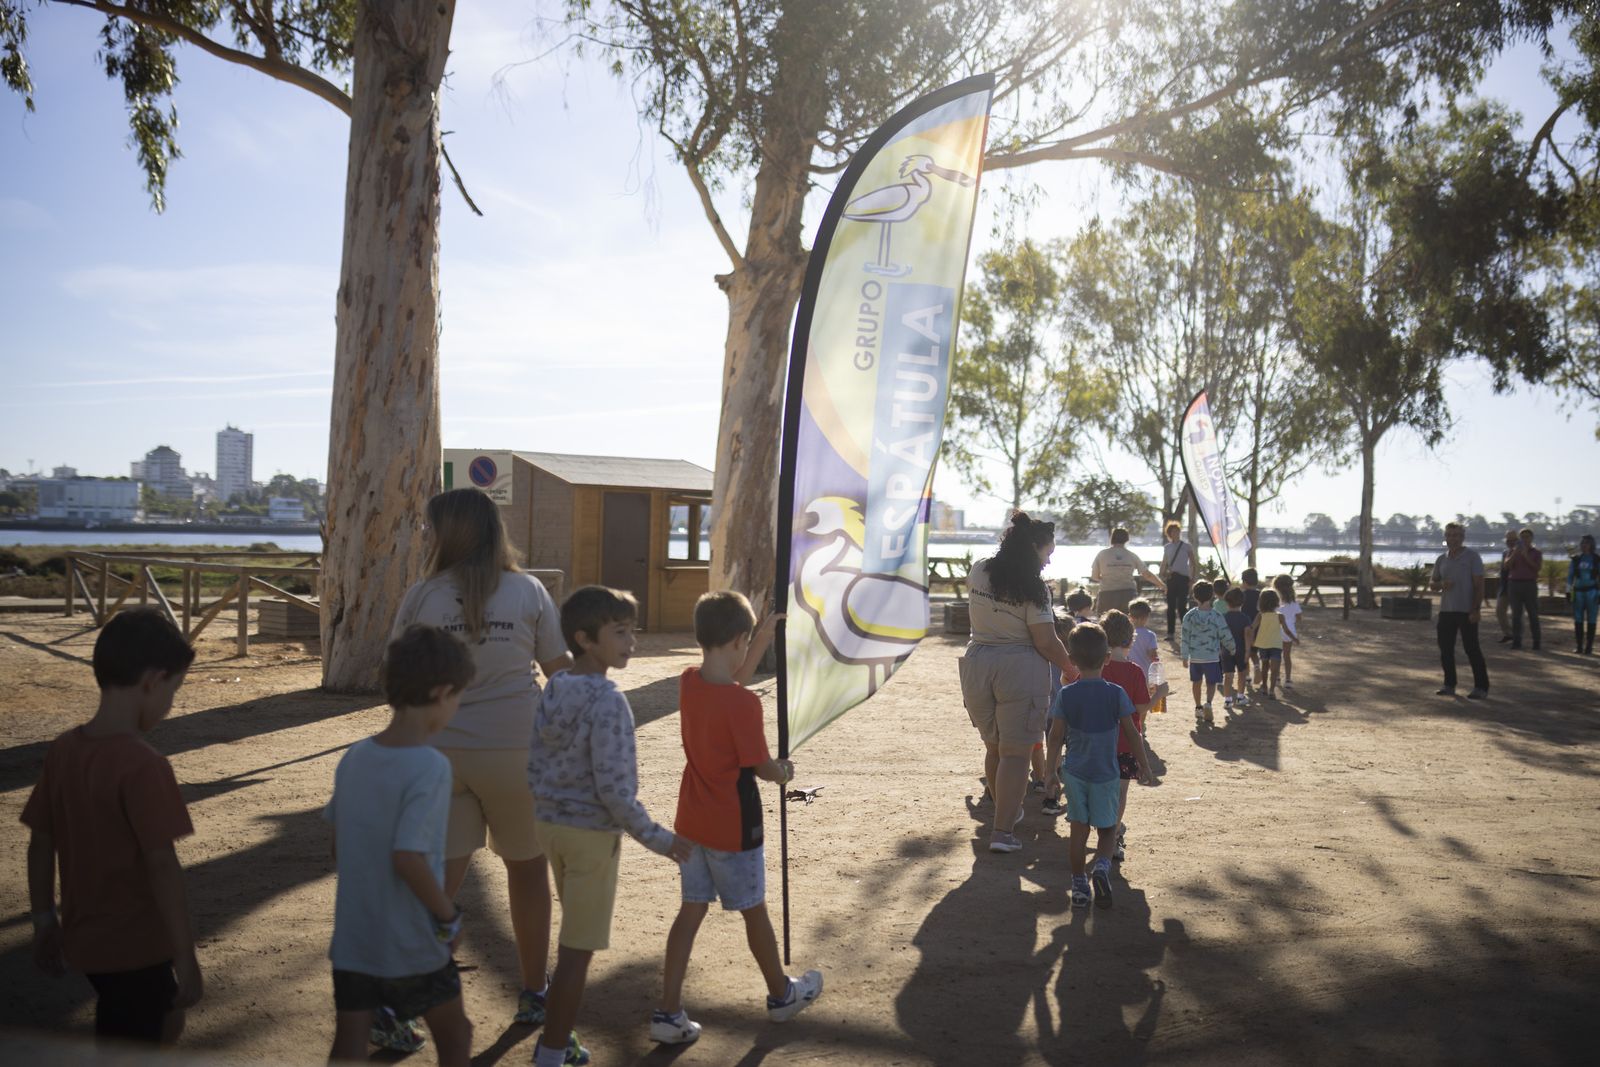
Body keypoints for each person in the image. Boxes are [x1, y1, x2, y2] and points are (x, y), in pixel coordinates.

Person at [389, 488, 573, 1044]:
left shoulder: (422, 595)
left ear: (447, 534)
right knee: (527, 869)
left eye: (429, 529)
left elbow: (396, 677)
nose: (425, 537)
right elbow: (560, 669)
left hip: (438, 752)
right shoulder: (528, 591)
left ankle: (406, 1004)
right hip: (517, 750)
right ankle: (534, 993)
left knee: (442, 879)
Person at [528, 586, 693, 1067]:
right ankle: (552, 1052)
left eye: (632, 631)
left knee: (572, 940)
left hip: (549, 828)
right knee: (577, 951)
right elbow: (616, 792)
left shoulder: (555, 686)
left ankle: (558, 1041)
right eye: (620, 632)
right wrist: (661, 840)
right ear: (584, 637)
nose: (631, 641)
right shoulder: (608, 700)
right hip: (590, 839)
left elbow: (534, 759)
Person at [21, 608, 201, 1048]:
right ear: (152, 681)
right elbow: (162, 865)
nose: (169, 704)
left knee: (134, 1022)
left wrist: (44, 919)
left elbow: (40, 843)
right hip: (138, 945)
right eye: (173, 691)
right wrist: (186, 957)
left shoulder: (64, 750)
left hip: (88, 943)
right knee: (147, 1032)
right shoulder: (145, 765)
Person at [650, 592, 823, 1046]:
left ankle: (667, 1010)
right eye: (747, 642)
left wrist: (762, 635)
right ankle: (781, 993)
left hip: (691, 822)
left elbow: (732, 679)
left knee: (690, 912)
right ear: (736, 641)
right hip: (733, 825)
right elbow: (762, 765)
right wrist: (784, 772)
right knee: (754, 912)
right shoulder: (744, 706)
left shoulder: (690, 681)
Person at [325, 625, 476, 1066]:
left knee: (350, 1039)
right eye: (458, 697)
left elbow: (337, 845)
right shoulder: (429, 766)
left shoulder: (354, 756)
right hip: (410, 941)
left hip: (355, 938)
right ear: (444, 692)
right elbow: (408, 857)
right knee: (456, 1034)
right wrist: (448, 917)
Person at [960, 513, 1078, 855]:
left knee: (994, 747)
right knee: (1016, 754)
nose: (1050, 559)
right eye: (1047, 552)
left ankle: (1005, 811)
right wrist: (1069, 668)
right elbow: (1045, 640)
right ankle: (1003, 830)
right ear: (1032, 551)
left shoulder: (980, 567)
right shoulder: (1035, 590)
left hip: (977, 662)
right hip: (1019, 667)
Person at [1044, 623, 1153, 909]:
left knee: (1078, 830)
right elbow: (1132, 732)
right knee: (1107, 829)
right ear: (1106, 657)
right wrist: (1144, 765)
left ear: (1073, 659)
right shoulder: (1116, 693)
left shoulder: (1066, 695)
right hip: (1106, 772)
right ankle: (1102, 867)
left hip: (1075, 772)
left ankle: (1079, 883)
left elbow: (1055, 737)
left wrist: (1049, 773)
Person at [1099, 611, 1165, 865]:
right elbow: (1140, 709)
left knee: (1101, 790)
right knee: (1119, 793)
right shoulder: (1134, 671)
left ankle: (1106, 831)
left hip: (1098, 742)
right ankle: (1113, 836)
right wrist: (1160, 694)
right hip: (1125, 742)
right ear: (1131, 640)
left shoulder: (1097, 667)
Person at [1430, 522, 1489, 699]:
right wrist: (1441, 585)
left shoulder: (1472, 557)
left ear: (1462, 537)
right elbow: (1432, 584)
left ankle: (1481, 687)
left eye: (1456, 535)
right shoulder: (1441, 559)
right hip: (1447, 611)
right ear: (1445, 537)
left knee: (1471, 648)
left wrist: (1476, 609)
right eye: (1449, 535)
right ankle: (1449, 684)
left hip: (1467, 610)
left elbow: (1479, 586)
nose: (1452, 539)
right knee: (1445, 648)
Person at [1181, 580, 1235, 726]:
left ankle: (1198, 707)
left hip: (1196, 658)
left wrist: (1185, 656)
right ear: (1212, 596)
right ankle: (1208, 703)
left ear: (1194, 597)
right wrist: (1232, 648)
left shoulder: (1189, 616)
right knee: (1211, 683)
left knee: (1196, 682)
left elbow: (1185, 637)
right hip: (1211, 658)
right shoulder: (1217, 616)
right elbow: (1225, 633)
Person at [1089, 528, 1165, 615]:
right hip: (1128, 594)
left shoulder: (1101, 554)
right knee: (1127, 624)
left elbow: (1094, 576)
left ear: (1112, 538)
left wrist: (1106, 578)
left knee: (1106, 623)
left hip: (1107, 593)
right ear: (1127, 539)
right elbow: (1147, 574)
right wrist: (1162, 585)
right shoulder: (1132, 555)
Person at [1247, 589, 1290, 700]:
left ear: (1261, 602)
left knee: (1267, 666)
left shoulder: (1275, 616)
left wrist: (1251, 640)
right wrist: (1294, 638)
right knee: (1271, 668)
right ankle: (1266, 687)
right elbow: (1286, 630)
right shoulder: (1263, 615)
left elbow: (1252, 628)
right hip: (1268, 644)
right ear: (1276, 601)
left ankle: (1270, 689)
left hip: (1269, 644)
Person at [1505, 528, 1543, 651]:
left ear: (1531, 538)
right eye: (1522, 537)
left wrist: (1526, 556)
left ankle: (1536, 641)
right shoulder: (1512, 551)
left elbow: (1537, 568)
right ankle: (1517, 641)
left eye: (1527, 536)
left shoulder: (1536, 552)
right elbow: (1506, 566)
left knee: (1533, 614)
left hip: (1529, 585)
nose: (1524, 539)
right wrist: (1515, 553)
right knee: (1516, 615)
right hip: (1514, 584)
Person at [1220, 587, 1252, 713]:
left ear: (1226, 603)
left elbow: (1219, 635)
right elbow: (1247, 634)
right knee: (1242, 674)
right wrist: (1248, 651)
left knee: (1228, 675)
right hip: (1241, 650)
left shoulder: (1223, 617)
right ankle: (1240, 696)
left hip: (1226, 650)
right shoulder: (1245, 618)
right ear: (1242, 603)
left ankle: (1227, 699)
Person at [1160, 521, 1193, 641]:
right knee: (1170, 607)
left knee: (1182, 607)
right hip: (1171, 578)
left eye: (1178, 531)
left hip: (1183, 578)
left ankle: (1187, 632)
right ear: (1169, 533)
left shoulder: (1186, 546)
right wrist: (1162, 575)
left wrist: (1192, 578)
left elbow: (1192, 563)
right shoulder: (1167, 547)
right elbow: (1164, 562)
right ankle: (1170, 633)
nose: (1176, 534)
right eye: (1174, 532)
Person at [1568, 534, 1598, 655]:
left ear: (1591, 545)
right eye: (1582, 543)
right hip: (1578, 592)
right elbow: (1570, 577)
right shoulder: (1576, 559)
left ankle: (1589, 647)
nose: (1584, 545)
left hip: (1593, 592)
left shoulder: (1597, 559)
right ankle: (1579, 646)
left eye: (1587, 543)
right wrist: (1568, 591)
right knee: (1578, 619)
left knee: (1592, 619)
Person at [1272, 574, 1303, 687]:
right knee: (1287, 655)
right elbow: (1299, 618)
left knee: (1277, 656)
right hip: (1290, 631)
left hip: (1276, 631)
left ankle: (1277, 677)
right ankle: (1288, 679)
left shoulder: (1275, 603)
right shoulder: (1294, 603)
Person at [1495, 530, 1518, 643]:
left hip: (1516, 586)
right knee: (1499, 611)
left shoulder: (1520, 553)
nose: (1511, 542)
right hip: (1504, 586)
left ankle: (1517, 635)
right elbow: (1503, 570)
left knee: (1516, 612)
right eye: (1509, 540)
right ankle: (1508, 633)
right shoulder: (1505, 552)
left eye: (1513, 540)